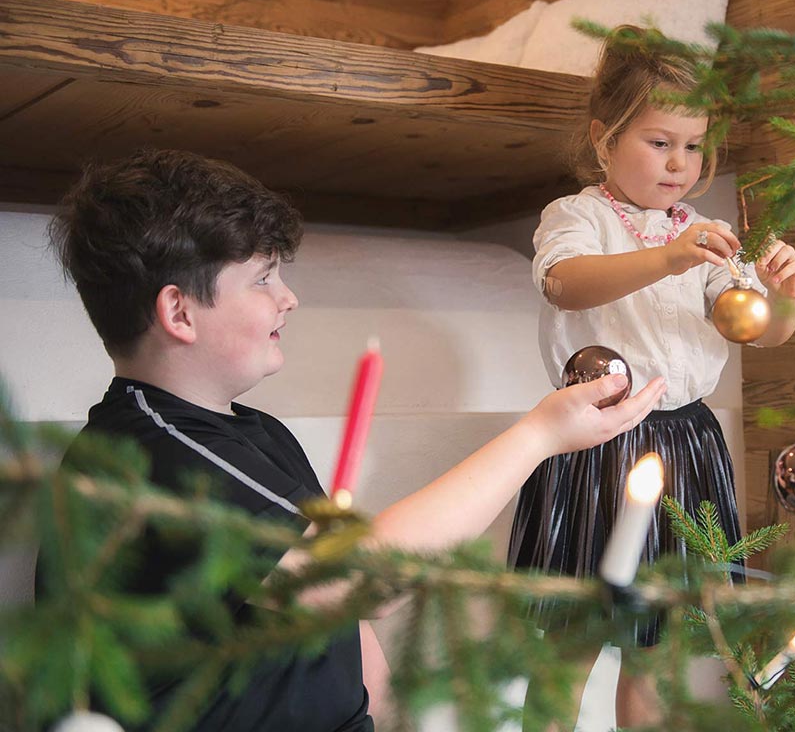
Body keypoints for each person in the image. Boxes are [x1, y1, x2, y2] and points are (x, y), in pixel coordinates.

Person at [39, 148, 666, 732]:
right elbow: (359, 580)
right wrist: (538, 436)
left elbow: (346, 622)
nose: (288, 298)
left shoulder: (254, 433)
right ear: (179, 313)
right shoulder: (158, 455)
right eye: (262, 279)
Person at [507, 27, 795, 728]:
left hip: (687, 443)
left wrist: (784, 295)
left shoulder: (697, 229)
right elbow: (566, 284)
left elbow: (753, 330)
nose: (681, 163)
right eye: (660, 141)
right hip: (598, 437)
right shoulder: (579, 217)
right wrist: (670, 258)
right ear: (604, 138)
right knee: (577, 633)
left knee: (659, 646)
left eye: (695, 145)